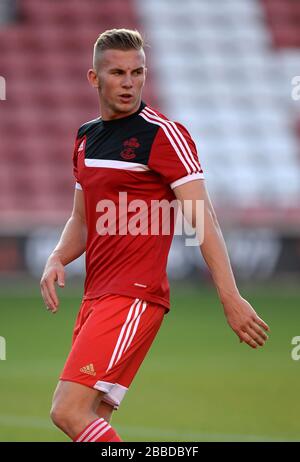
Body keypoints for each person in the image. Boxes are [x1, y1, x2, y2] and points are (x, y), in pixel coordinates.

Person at [40, 28, 270, 443]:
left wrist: (230, 297)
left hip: (133, 296)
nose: (129, 83)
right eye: (117, 73)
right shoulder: (85, 137)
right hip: (96, 298)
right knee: (92, 421)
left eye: (137, 72)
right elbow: (82, 219)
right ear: (94, 78)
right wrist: (57, 256)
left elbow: (204, 218)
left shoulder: (164, 134)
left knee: (67, 410)